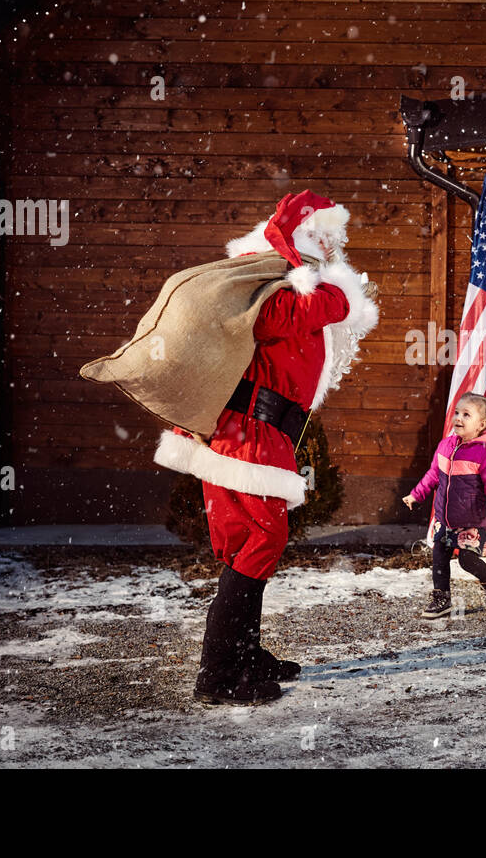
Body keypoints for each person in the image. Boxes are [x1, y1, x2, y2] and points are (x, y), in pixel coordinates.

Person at [136, 192, 378, 706]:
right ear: (303, 237)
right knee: (263, 538)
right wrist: (331, 278)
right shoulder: (266, 288)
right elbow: (327, 306)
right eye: (327, 237)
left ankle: (243, 653)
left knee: (242, 541)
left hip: (243, 431)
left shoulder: (274, 280)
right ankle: (218, 675)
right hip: (246, 432)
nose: (336, 246)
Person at [403, 392, 486, 619]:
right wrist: (416, 495)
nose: (458, 418)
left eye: (466, 415)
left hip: (471, 520)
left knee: (466, 559)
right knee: (439, 554)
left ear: (481, 424)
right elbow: (433, 475)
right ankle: (441, 597)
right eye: (457, 413)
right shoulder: (445, 446)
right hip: (446, 518)